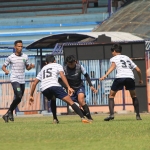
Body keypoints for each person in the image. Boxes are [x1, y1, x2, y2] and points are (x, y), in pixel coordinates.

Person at [29, 54, 90, 124]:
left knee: (53, 99)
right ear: (54, 61)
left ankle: (55, 119)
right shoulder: (57, 65)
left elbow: (34, 83)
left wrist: (31, 95)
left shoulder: (43, 69)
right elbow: (62, 75)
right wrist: (68, 87)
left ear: (46, 63)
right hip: (54, 86)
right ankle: (83, 118)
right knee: (70, 102)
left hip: (44, 88)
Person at [100, 43, 143, 121]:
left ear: (114, 51)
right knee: (133, 96)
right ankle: (138, 115)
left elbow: (113, 67)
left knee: (111, 96)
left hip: (120, 77)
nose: (112, 53)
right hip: (130, 77)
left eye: (112, 52)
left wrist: (105, 75)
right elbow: (138, 70)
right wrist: (140, 79)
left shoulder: (114, 58)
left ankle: (111, 114)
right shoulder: (127, 58)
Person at [56, 55, 97, 122]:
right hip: (70, 89)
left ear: (75, 62)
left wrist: (91, 85)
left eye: (72, 63)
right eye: (69, 64)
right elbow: (60, 80)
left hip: (79, 86)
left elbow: (86, 75)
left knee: (81, 100)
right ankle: (84, 115)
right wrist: (67, 87)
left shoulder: (80, 67)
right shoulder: (64, 69)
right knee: (73, 106)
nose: (71, 65)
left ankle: (90, 118)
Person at [2, 40, 35, 123]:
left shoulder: (25, 57)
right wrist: (6, 71)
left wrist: (30, 66)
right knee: (19, 95)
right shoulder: (11, 57)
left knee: (19, 98)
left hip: (22, 80)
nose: (20, 48)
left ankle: (8, 113)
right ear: (15, 47)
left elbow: (27, 68)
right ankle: (9, 112)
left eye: (21, 46)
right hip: (15, 79)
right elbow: (3, 66)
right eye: (19, 46)